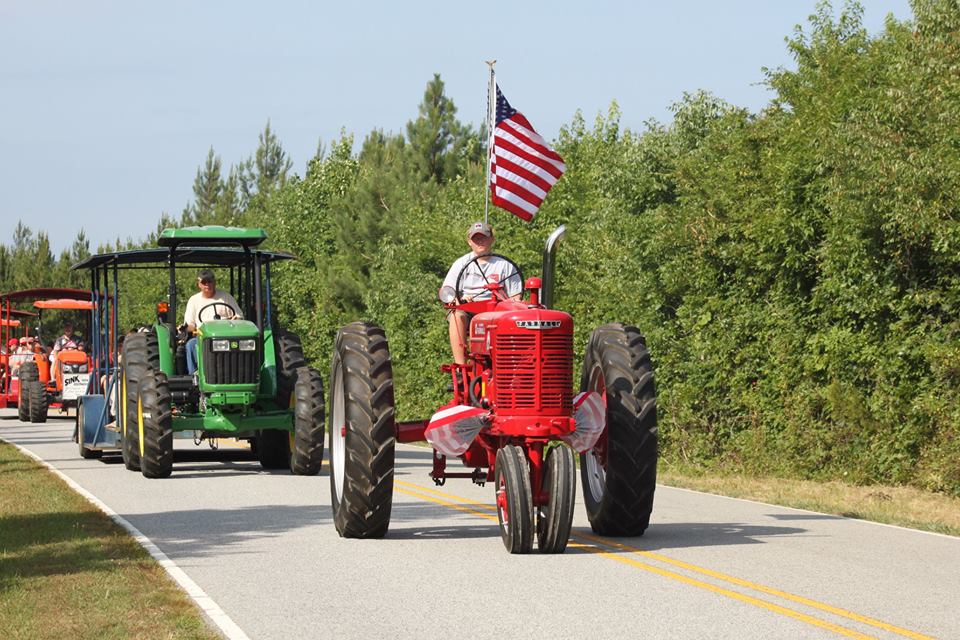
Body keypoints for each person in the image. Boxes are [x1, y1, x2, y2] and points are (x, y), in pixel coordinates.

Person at [441, 222, 522, 364]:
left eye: (483, 237)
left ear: (491, 239)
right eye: (475, 238)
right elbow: (448, 292)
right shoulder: (461, 264)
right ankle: (461, 366)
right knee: (457, 315)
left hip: (497, 311)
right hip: (469, 309)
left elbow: (516, 298)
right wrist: (460, 300)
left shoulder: (504, 265)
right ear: (469, 242)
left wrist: (505, 301)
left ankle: (508, 363)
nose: (480, 241)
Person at [183, 269, 242, 375]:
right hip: (203, 337)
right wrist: (185, 328)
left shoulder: (226, 297)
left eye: (209, 281)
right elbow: (190, 324)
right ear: (199, 285)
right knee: (191, 345)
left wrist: (235, 320)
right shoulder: (194, 300)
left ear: (214, 282)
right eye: (204, 282)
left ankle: (238, 372)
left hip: (226, 335)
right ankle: (195, 375)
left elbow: (238, 316)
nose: (207, 285)